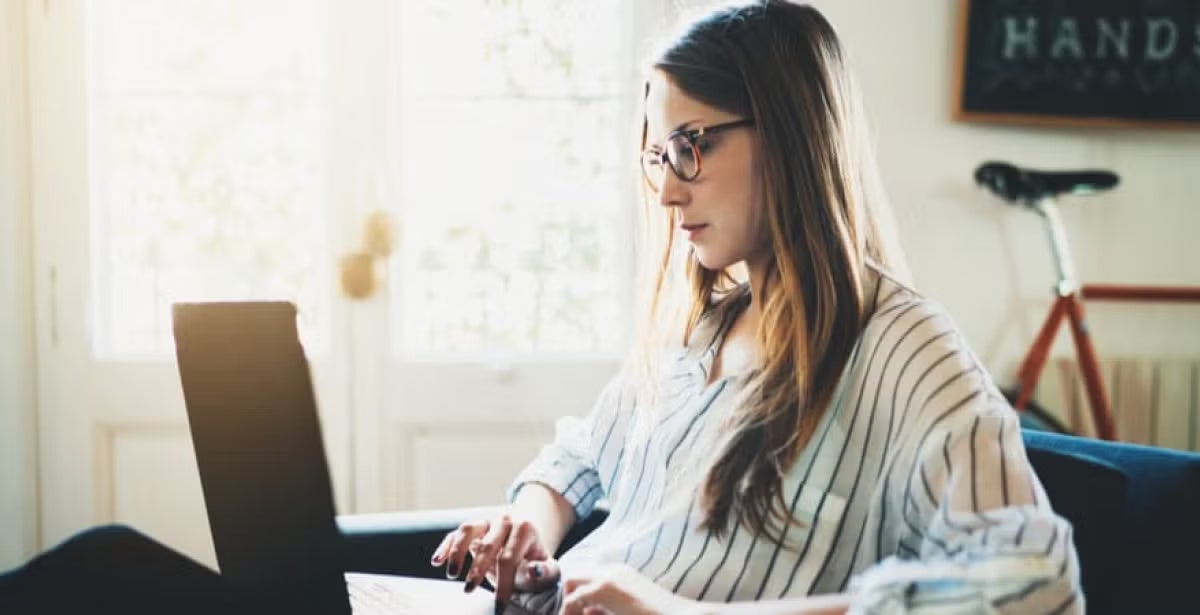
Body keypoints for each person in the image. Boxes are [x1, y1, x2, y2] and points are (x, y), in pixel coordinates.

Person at [428, 2, 1083, 614]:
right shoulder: (700, 328)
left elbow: (1034, 582)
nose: (667, 194)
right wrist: (530, 528)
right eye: (660, 157)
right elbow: (583, 453)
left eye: (692, 146)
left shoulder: (901, 347)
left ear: (790, 135)